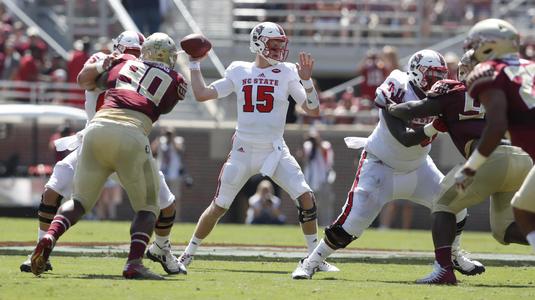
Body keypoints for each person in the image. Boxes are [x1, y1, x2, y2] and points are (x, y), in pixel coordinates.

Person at [292, 49, 484, 280]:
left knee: (455, 204)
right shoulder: (397, 84)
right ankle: (311, 261)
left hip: (418, 165)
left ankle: (454, 255)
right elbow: (403, 138)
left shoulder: (444, 92)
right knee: (351, 225)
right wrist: (435, 126)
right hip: (381, 164)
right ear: (415, 72)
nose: (437, 81)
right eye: (431, 75)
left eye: (440, 75)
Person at [23, 31, 187, 278]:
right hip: (126, 136)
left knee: (79, 202)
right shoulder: (160, 73)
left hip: (97, 134)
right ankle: (133, 263)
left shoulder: (122, 65)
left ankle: (49, 238)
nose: (132, 57)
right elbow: (164, 101)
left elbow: (92, 82)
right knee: (148, 207)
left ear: (143, 52)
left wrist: (109, 66)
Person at [178, 21, 338, 273]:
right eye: (273, 46)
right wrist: (195, 63)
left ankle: (313, 259)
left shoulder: (287, 72)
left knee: (305, 197)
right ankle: (187, 255)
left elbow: (313, 109)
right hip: (243, 149)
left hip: (274, 149)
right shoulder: (239, 70)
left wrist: (307, 82)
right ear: (257, 44)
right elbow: (202, 94)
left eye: (280, 46)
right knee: (219, 206)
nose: (277, 51)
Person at [387, 49, 531, 284]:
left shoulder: (453, 90)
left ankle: (444, 270)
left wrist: (390, 106)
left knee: (443, 204)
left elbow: (415, 110)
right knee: (504, 230)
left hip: (489, 158)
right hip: (521, 159)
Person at [457, 19, 535, 254]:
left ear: (490, 45)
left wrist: (471, 167)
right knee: (521, 209)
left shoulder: (489, 72)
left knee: (522, 211)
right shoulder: (530, 66)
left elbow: (497, 124)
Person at [301, 129, 335, 226]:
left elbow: (327, 155)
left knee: (325, 205)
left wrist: (317, 143)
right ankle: (310, 224)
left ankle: (326, 225)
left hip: (323, 180)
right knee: (309, 205)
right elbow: (303, 156)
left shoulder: (325, 145)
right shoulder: (308, 146)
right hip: (310, 180)